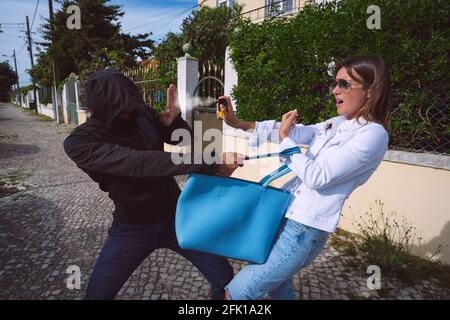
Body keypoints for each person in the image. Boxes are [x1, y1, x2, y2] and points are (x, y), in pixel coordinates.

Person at [219, 55, 391, 300]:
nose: (334, 90)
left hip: (303, 230)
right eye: (335, 83)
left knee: (236, 294)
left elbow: (317, 177)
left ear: (370, 91)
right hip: (285, 212)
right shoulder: (339, 122)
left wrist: (286, 139)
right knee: (280, 289)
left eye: (344, 84)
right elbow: (296, 132)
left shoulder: (373, 134)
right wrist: (237, 123)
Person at [63, 69, 242, 300]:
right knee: (97, 295)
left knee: (224, 277)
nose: (129, 113)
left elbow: (183, 140)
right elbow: (138, 164)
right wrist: (212, 161)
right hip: (132, 228)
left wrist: (173, 122)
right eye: (122, 110)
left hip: (176, 218)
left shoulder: (140, 113)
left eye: (131, 105)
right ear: (102, 108)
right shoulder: (80, 142)